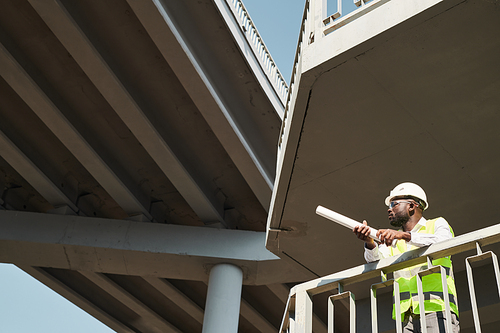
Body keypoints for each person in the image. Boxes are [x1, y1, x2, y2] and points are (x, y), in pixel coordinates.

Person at [353, 182, 459, 333]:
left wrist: (405, 236)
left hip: (436, 309)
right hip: (407, 317)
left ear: (411, 206)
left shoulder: (436, 224)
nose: (389, 209)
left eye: (394, 204)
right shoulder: (393, 238)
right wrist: (369, 242)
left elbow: (445, 242)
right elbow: (375, 261)